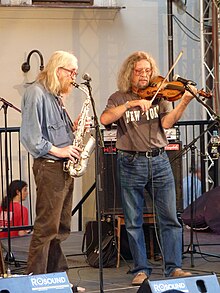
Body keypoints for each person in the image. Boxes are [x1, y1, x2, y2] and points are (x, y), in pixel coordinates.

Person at [100, 51, 197, 286]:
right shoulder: (118, 97)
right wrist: (132, 103)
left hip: (159, 161)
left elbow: (166, 122)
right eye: (139, 71)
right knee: (133, 221)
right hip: (130, 162)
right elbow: (105, 119)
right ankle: (140, 269)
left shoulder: (159, 95)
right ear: (129, 73)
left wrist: (183, 101)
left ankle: (173, 267)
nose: (144, 75)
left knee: (170, 218)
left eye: (147, 71)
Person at [20, 51, 82, 277]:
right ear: (59, 70)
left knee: (61, 228)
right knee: (47, 227)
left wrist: (72, 130)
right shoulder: (36, 93)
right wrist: (59, 150)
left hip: (63, 167)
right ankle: (36, 279)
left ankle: (57, 278)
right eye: (71, 72)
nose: (74, 77)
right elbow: (30, 137)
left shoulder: (55, 96)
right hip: (50, 166)